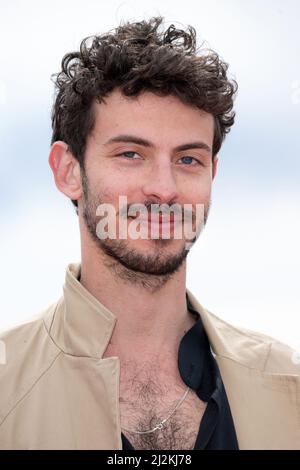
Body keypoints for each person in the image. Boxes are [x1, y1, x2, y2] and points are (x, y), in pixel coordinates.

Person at [0, 16, 299, 451]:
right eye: (130, 153)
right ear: (68, 172)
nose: (164, 187)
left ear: (212, 174)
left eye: (188, 159)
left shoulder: (288, 385)